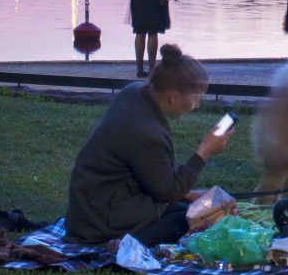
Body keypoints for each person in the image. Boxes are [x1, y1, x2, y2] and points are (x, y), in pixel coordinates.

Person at [66, 44, 230, 244]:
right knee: (188, 220)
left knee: (188, 208)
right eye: (196, 98)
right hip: (101, 220)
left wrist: (187, 195)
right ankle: (121, 243)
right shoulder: (147, 133)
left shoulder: (134, 92)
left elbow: (152, 176)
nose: (197, 105)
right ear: (172, 97)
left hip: (91, 206)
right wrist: (204, 151)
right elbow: (167, 192)